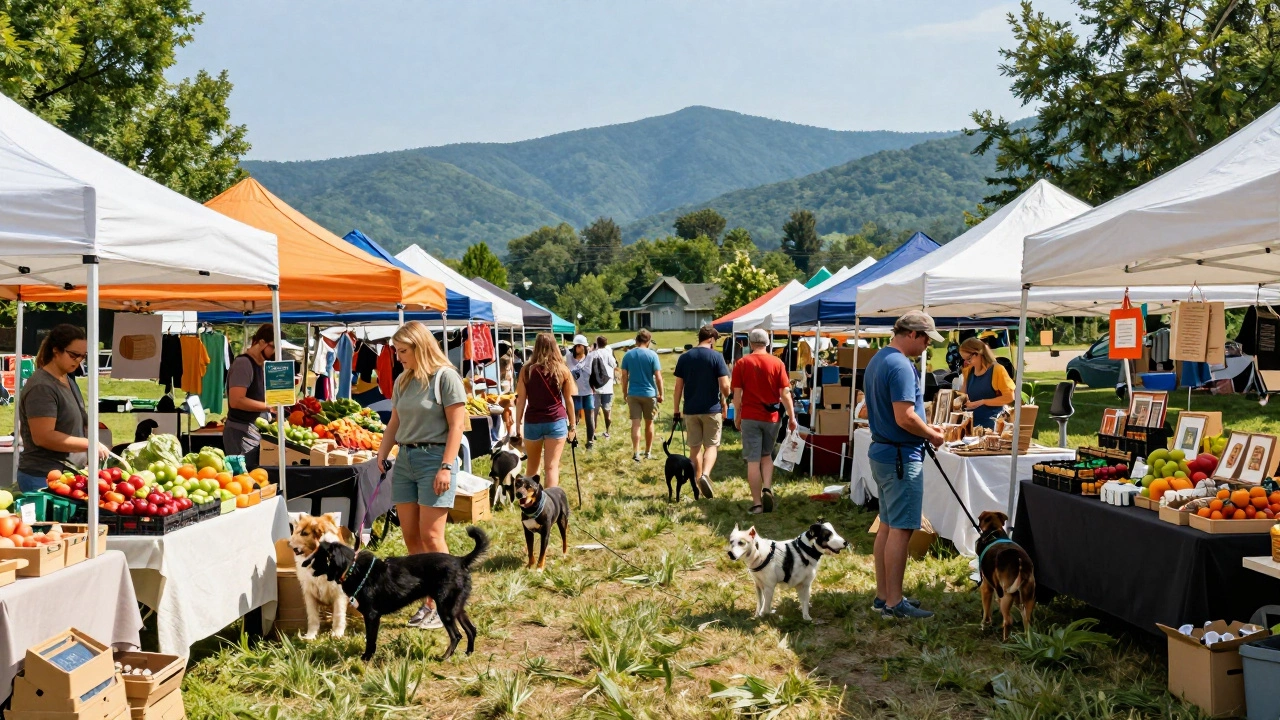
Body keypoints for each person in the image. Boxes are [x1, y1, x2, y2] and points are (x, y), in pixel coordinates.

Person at [376, 321, 467, 629]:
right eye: (396, 351)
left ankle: (446, 602)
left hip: (434, 459)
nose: (398, 357)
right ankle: (429, 602)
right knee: (411, 538)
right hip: (406, 461)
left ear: (420, 346)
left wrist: (446, 466)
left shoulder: (446, 377)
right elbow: (394, 423)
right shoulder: (403, 380)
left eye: (403, 351)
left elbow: (457, 426)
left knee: (432, 536)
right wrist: (382, 452)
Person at [864, 310, 945, 620]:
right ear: (912, 334)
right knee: (901, 529)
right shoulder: (900, 365)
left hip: (884, 453)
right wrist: (932, 435)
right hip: (900, 457)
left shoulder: (879, 359)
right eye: (926, 338)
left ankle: (884, 595)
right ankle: (894, 604)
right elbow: (905, 417)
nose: (927, 345)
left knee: (887, 525)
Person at [16, 324, 109, 492]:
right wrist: (88, 444)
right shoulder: (42, 387)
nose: (79, 360)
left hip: (66, 476)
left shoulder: (67, 379)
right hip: (42, 477)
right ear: (56, 350)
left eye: (83, 356)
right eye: (74, 355)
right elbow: (44, 437)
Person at [731, 328, 796, 514]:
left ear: (750, 343)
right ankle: (767, 487)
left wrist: (737, 415)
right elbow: (785, 393)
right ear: (768, 343)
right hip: (772, 417)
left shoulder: (742, 363)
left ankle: (758, 503)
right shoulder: (777, 363)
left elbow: (737, 395)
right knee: (766, 456)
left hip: (750, 416)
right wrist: (792, 417)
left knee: (753, 460)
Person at [673, 325, 730, 498]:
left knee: (694, 448)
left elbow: (678, 387)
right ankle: (705, 475)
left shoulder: (685, 357)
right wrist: (726, 397)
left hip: (690, 409)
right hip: (711, 409)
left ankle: (697, 481)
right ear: (711, 339)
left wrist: (676, 410)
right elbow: (725, 386)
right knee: (711, 445)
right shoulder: (716, 357)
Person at [515, 333, 577, 487]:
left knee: (531, 468)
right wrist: (573, 426)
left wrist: (517, 424)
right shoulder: (562, 370)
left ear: (536, 347)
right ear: (554, 347)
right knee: (551, 467)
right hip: (556, 420)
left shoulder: (526, 370)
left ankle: (529, 505)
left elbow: (521, 400)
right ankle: (551, 507)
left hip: (533, 421)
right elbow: (569, 400)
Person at [223, 324, 277, 461]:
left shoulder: (259, 365)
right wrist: (268, 406)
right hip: (241, 433)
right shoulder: (243, 364)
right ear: (262, 342)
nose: (275, 352)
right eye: (273, 347)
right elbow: (236, 400)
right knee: (244, 477)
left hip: (252, 431)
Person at [619, 329, 663, 462]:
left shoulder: (628, 355)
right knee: (649, 424)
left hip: (633, 393)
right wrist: (661, 393)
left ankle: (635, 452)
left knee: (635, 424)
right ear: (648, 341)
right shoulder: (652, 355)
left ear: (636, 341)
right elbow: (658, 377)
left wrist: (625, 392)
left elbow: (624, 376)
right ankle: (648, 452)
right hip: (650, 394)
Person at [958, 337, 1016, 430]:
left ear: (978, 353)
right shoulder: (968, 371)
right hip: (972, 425)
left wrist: (982, 402)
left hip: (993, 425)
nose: (967, 362)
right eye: (964, 360)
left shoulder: (997, 370)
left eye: (968, 359)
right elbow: (962, 395)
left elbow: (1009, 397)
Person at [565, 335, 597, 450]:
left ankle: (590, 441)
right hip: (574, 392)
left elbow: (591, 372)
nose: (578, 348)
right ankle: (573, 439)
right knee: (574, 418)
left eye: (581, 346)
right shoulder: (569, 357)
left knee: (589, 417)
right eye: (577, 346)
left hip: (588, 391)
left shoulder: (590, 357)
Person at [590, 336, 617, 439]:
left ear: (597, 343)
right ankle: (607, 431)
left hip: (595, 387)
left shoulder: (592, 354)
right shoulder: (608, 354)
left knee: (594, 413)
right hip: (608, 387)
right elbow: (614, 365)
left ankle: (592, 434)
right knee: (607, 412)